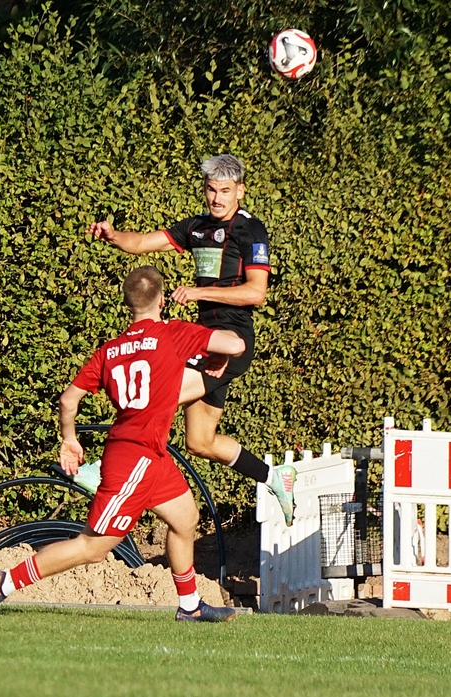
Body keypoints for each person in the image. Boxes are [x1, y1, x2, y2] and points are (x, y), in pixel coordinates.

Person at [0, 266, 244, 621]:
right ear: (162, 301)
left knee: (185, 518)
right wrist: (218, 355)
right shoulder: (172, 334)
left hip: (149, 454)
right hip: (135, 460)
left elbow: (68, 400)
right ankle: (5, 581)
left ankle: (190, 606)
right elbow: (235, 344)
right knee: (93, 548)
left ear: (127, 304)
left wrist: (69, 439)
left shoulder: (110, 350)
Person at [88, 154, 296, 525]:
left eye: (225, 191)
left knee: (152, 396)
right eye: (211, 190)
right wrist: (113, 235)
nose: (217, 198)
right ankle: (274, 477)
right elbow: (142, 243)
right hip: (205, 341)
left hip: (231, 338)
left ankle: (106, 471)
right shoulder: (197, 227)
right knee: (200, 441)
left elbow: (256, 293)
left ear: (240, 192)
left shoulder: (250, 230)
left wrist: (199, 293)